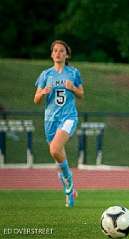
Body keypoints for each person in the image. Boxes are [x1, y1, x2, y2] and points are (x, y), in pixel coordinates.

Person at [34, 40, 84, 208]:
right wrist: (42, 92)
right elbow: (36, 100)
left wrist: (73, 88)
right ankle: (70, 190)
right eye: (55, 50)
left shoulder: (73, 72)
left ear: (66, 54)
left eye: (61, 51)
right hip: (50, 121)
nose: (58, 53)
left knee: (55, 149)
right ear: (51, 54)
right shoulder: (45, 74)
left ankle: (68, 182)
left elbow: (81, 93)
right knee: (57, 155)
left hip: (68, 117)